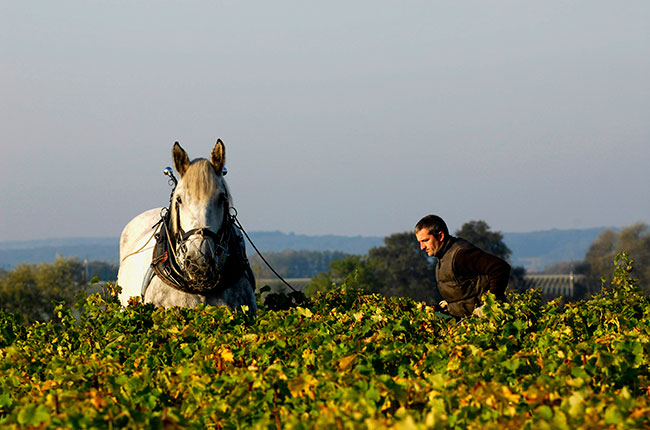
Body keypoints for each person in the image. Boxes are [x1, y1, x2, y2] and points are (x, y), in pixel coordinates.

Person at [415, 214, 511, 318]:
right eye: (420, 242)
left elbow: (500, 267)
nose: (422, 247)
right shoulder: (443, 257)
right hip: (465, 322)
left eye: (425, 240)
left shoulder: (461, 254)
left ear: (440, 236)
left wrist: (491, 305)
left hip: (483, 323)